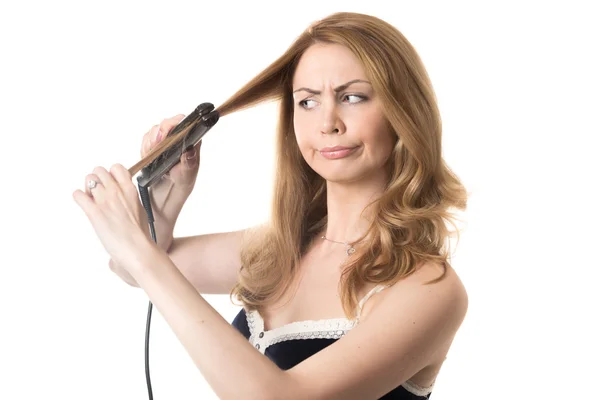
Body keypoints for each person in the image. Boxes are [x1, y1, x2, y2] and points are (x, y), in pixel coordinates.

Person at [73, 11, 469, 399]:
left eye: (352, 97)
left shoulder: (429, 289)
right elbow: (129, 268)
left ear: (405, 113)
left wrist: (140, 251)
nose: (327, 122)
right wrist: (165, 206)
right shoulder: (276, 250)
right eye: (307, 102)